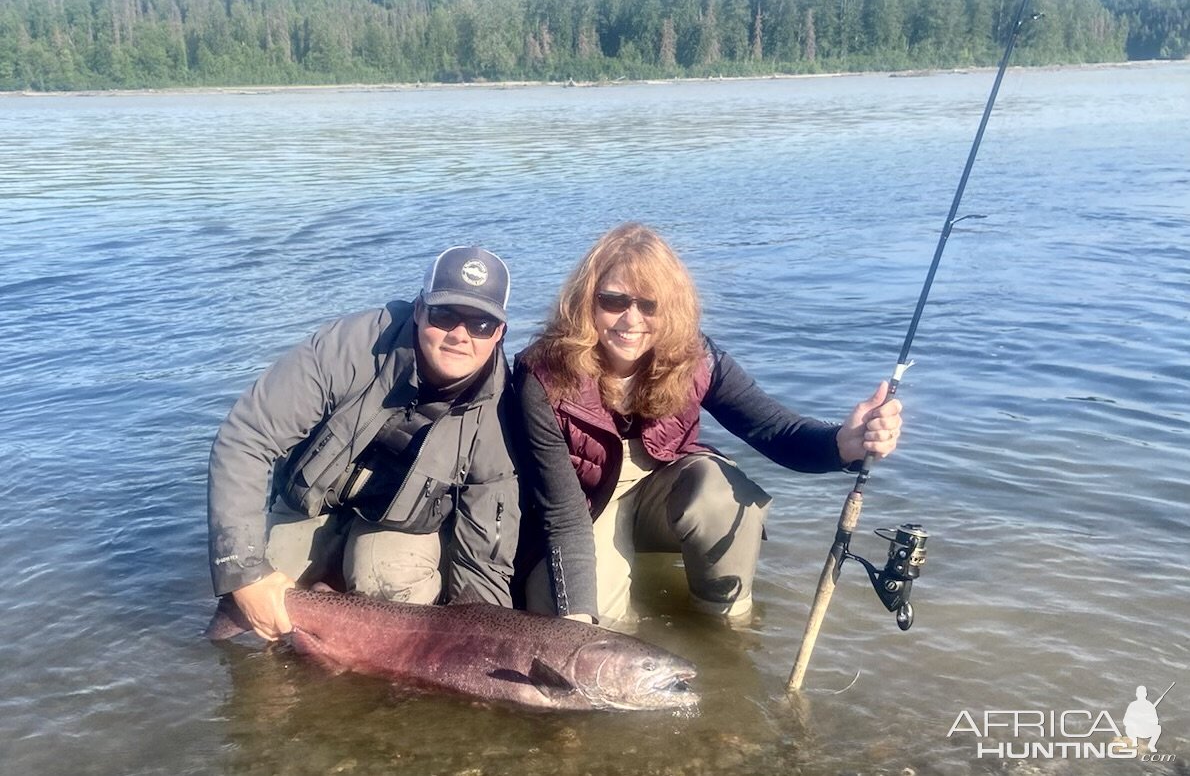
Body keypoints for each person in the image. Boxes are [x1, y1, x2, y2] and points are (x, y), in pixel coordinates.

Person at [515, 223, 903, 624]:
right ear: (586, 302)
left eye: (650, 304)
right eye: (613, 301)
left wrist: (843, 443)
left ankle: (726, 620)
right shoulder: (542, 375)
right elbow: (561, 513)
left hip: (661, 490)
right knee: (591, 626)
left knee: (720, 490)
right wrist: (577, 617)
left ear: (671, 308)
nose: (631, 319)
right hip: (583, 506)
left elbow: (773, 429)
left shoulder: (697, 358)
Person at [208, 246, 520, 640]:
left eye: (481, 325)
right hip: (309, 507)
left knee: (394, 585)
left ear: (500, 334)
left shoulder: (501, 410)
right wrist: (243, 573)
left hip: (400, 530)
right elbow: (245, 438)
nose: (460, 335)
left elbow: (485, 550)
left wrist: (483, 645)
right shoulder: (347, 347)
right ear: (420, 309)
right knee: (251, 623)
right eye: (445, 316)